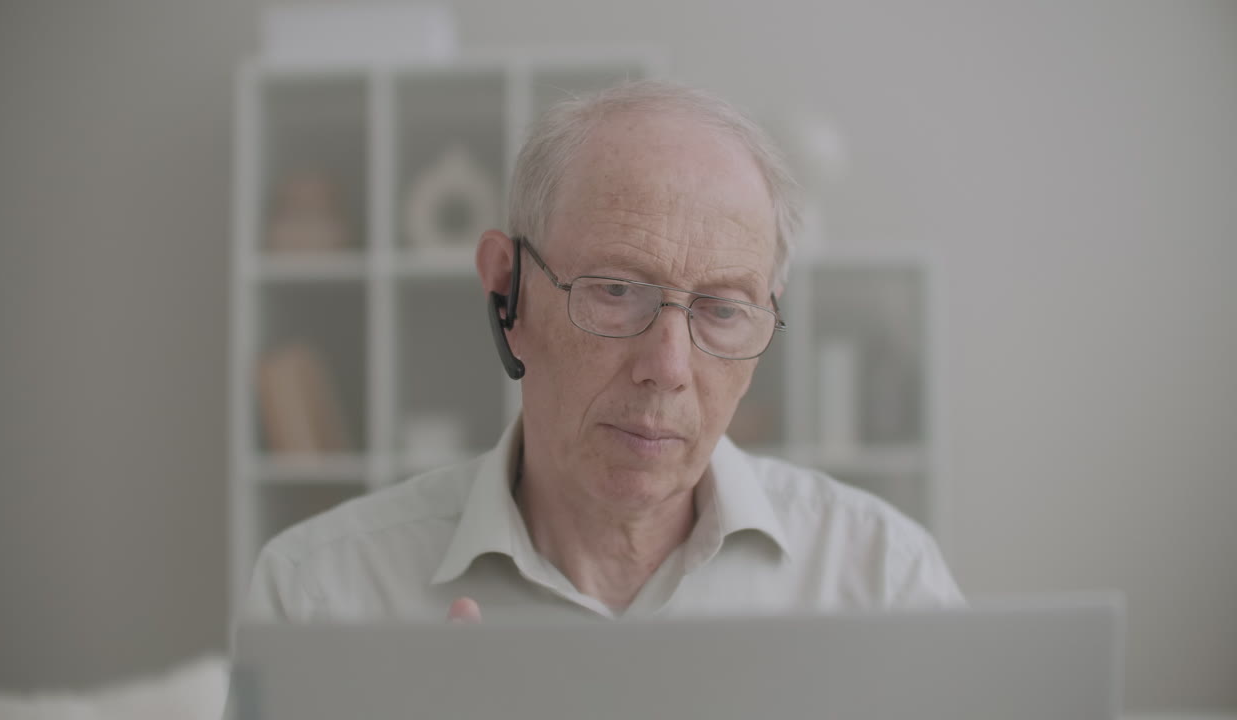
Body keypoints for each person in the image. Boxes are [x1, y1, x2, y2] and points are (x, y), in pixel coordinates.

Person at [241, 80, 962, 625]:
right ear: (506, 292)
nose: (669, 369)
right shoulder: (320, 594)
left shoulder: (880, 579)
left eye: (721, 309)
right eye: (617, 291)